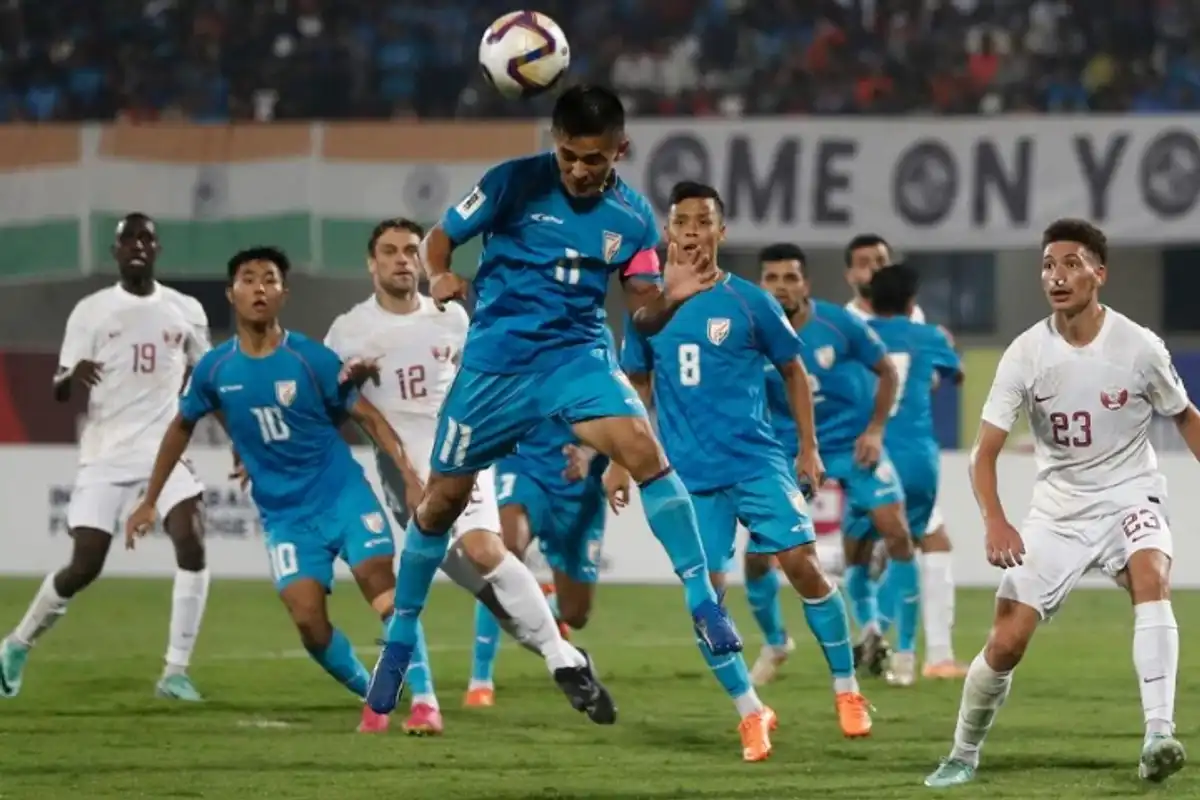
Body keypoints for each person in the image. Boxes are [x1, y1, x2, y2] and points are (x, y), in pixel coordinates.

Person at [365, 84, 738, 720]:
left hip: (576, 360)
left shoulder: (635, 219)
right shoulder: (512, 182)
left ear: (620, 149)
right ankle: (398, 640)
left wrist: (671, 299)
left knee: (644, 449)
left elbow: (642, 315)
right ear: (554, 143)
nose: (578, 170)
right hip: (495, 365)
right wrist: (440, 275)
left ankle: (703, 601)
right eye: (568, 155)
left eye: (593, 159)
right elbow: (439, 235)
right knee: (440, 505)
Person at [925, 219, 1194, 787]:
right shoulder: (1025, 354)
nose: (1057, 275)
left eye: (1071, 263)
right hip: (1059, 511)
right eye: (1048, 264)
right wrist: (995, 520)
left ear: (1100, 272)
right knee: (1006, 640)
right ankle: (962, 753)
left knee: (1152, 574)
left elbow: (1186, 417)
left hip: (1130, 496)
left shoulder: (1139, 346)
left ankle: (1158, 734)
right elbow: (983, 453)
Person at [124, 246, 424, 733]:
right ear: (231, 293)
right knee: (308, 621)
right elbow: (180, 426)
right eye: (248, 279)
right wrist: (150, 499)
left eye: (269, 279)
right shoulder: (216, 370)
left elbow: (367, 416)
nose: (259, 287)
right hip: (285, 517)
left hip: (342, 495)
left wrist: (410, 477)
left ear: (284, 293)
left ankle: (419, 700)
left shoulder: (311, 359)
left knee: (379, 584)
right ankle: (373, 691)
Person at [618, 182, 871, 761]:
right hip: (687, 480)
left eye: (702, 222)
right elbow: (634, 388)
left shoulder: (749, 301)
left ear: (719, 232)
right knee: (703, 599)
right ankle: (751, 711)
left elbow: (793, 370)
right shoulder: (647, 314)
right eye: (680, 221)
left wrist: (807, 448)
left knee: (803, 566)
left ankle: (848, 691)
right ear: (668, 232)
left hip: (757, 462)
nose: (689, 231)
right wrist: (618, 460)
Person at [325, 218, 605, 733]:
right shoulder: (348, 332)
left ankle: (559, 662)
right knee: (492, 596)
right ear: (372, 263)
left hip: (460, 458)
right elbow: (341, 403)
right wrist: (395, 453)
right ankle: (565, 652)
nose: (403, 259)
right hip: (402, 481)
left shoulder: (451, 318)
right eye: (389, 251)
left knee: (486, 550)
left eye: (411, 249)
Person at [0, 213, 211, 702]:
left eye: (146, 238)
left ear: (157, 249)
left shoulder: (185, 310)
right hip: (106, 452)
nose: (137, 245)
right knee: (85, 564)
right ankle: (16, 643)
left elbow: (210, 377)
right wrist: (71, 377)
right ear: (115, 251)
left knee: (192, 540)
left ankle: (175, 672)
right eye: (127, 239)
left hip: (164, 449)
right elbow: (58, 385)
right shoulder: (90, 312)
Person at [754, 241, 916, 682]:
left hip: (851, 446)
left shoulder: (838, 323)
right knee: (756, 556)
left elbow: (888, 370)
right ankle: (774, 642)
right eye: (772, 278)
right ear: (760, 285)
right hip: (788, 454)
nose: (782, 286)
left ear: (805, 283)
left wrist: (876, 429)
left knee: (897, 531)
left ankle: (904, 653)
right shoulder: (751, 334)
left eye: (791, 277)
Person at [843, 233, 966, 679]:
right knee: (910, 549)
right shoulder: (926, 334)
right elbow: (956, 375)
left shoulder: (848, 330)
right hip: (916, 456)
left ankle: (879, 629)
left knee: (860, 554)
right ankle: (910, 656)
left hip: (865, 455)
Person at [467, 418, 610, 708]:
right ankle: (480, 680)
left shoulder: (598, 373)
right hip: (522, 466)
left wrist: (589, 453)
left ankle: (548, 605)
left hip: (579, 484)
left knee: (576, 614)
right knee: (503, 555)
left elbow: (617, 420)